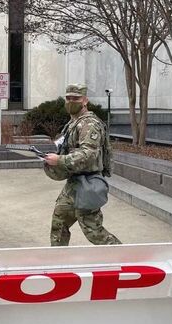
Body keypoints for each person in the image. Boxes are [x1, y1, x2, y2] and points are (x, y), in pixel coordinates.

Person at [43, 84, 122, 246]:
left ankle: (124, 257)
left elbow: (89, 155)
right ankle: (57, 261)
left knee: (94, 232)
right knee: (59, 224)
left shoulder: (89, 124)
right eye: (68, 98)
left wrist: (60, 160)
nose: (71, 101)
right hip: (73, 184)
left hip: (88, 185)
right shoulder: (74, 123)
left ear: (85, 100)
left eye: (76, 98)